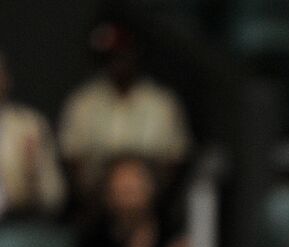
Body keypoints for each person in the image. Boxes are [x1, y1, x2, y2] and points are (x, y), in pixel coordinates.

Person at [58, 22, 191, 194]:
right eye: (109, 58)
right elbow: (71, 157)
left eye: (122, 55)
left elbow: (176, 158)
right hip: (97, 201)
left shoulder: (161, 102)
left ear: (134, 54)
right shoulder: (83, 102)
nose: (117, 63)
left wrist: (151, 192)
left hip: (153, 199)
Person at [74, 155, 188, 247]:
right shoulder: (93, 240)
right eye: (120, 187)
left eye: (133, 186)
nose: (127, 193)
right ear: (107, 193)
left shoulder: (171, 237)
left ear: (152, 188)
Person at [0, 51, 66, 219]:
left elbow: (54, 195)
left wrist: (34, 174)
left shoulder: (30, 125)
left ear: (6, 79)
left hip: (21, 224)